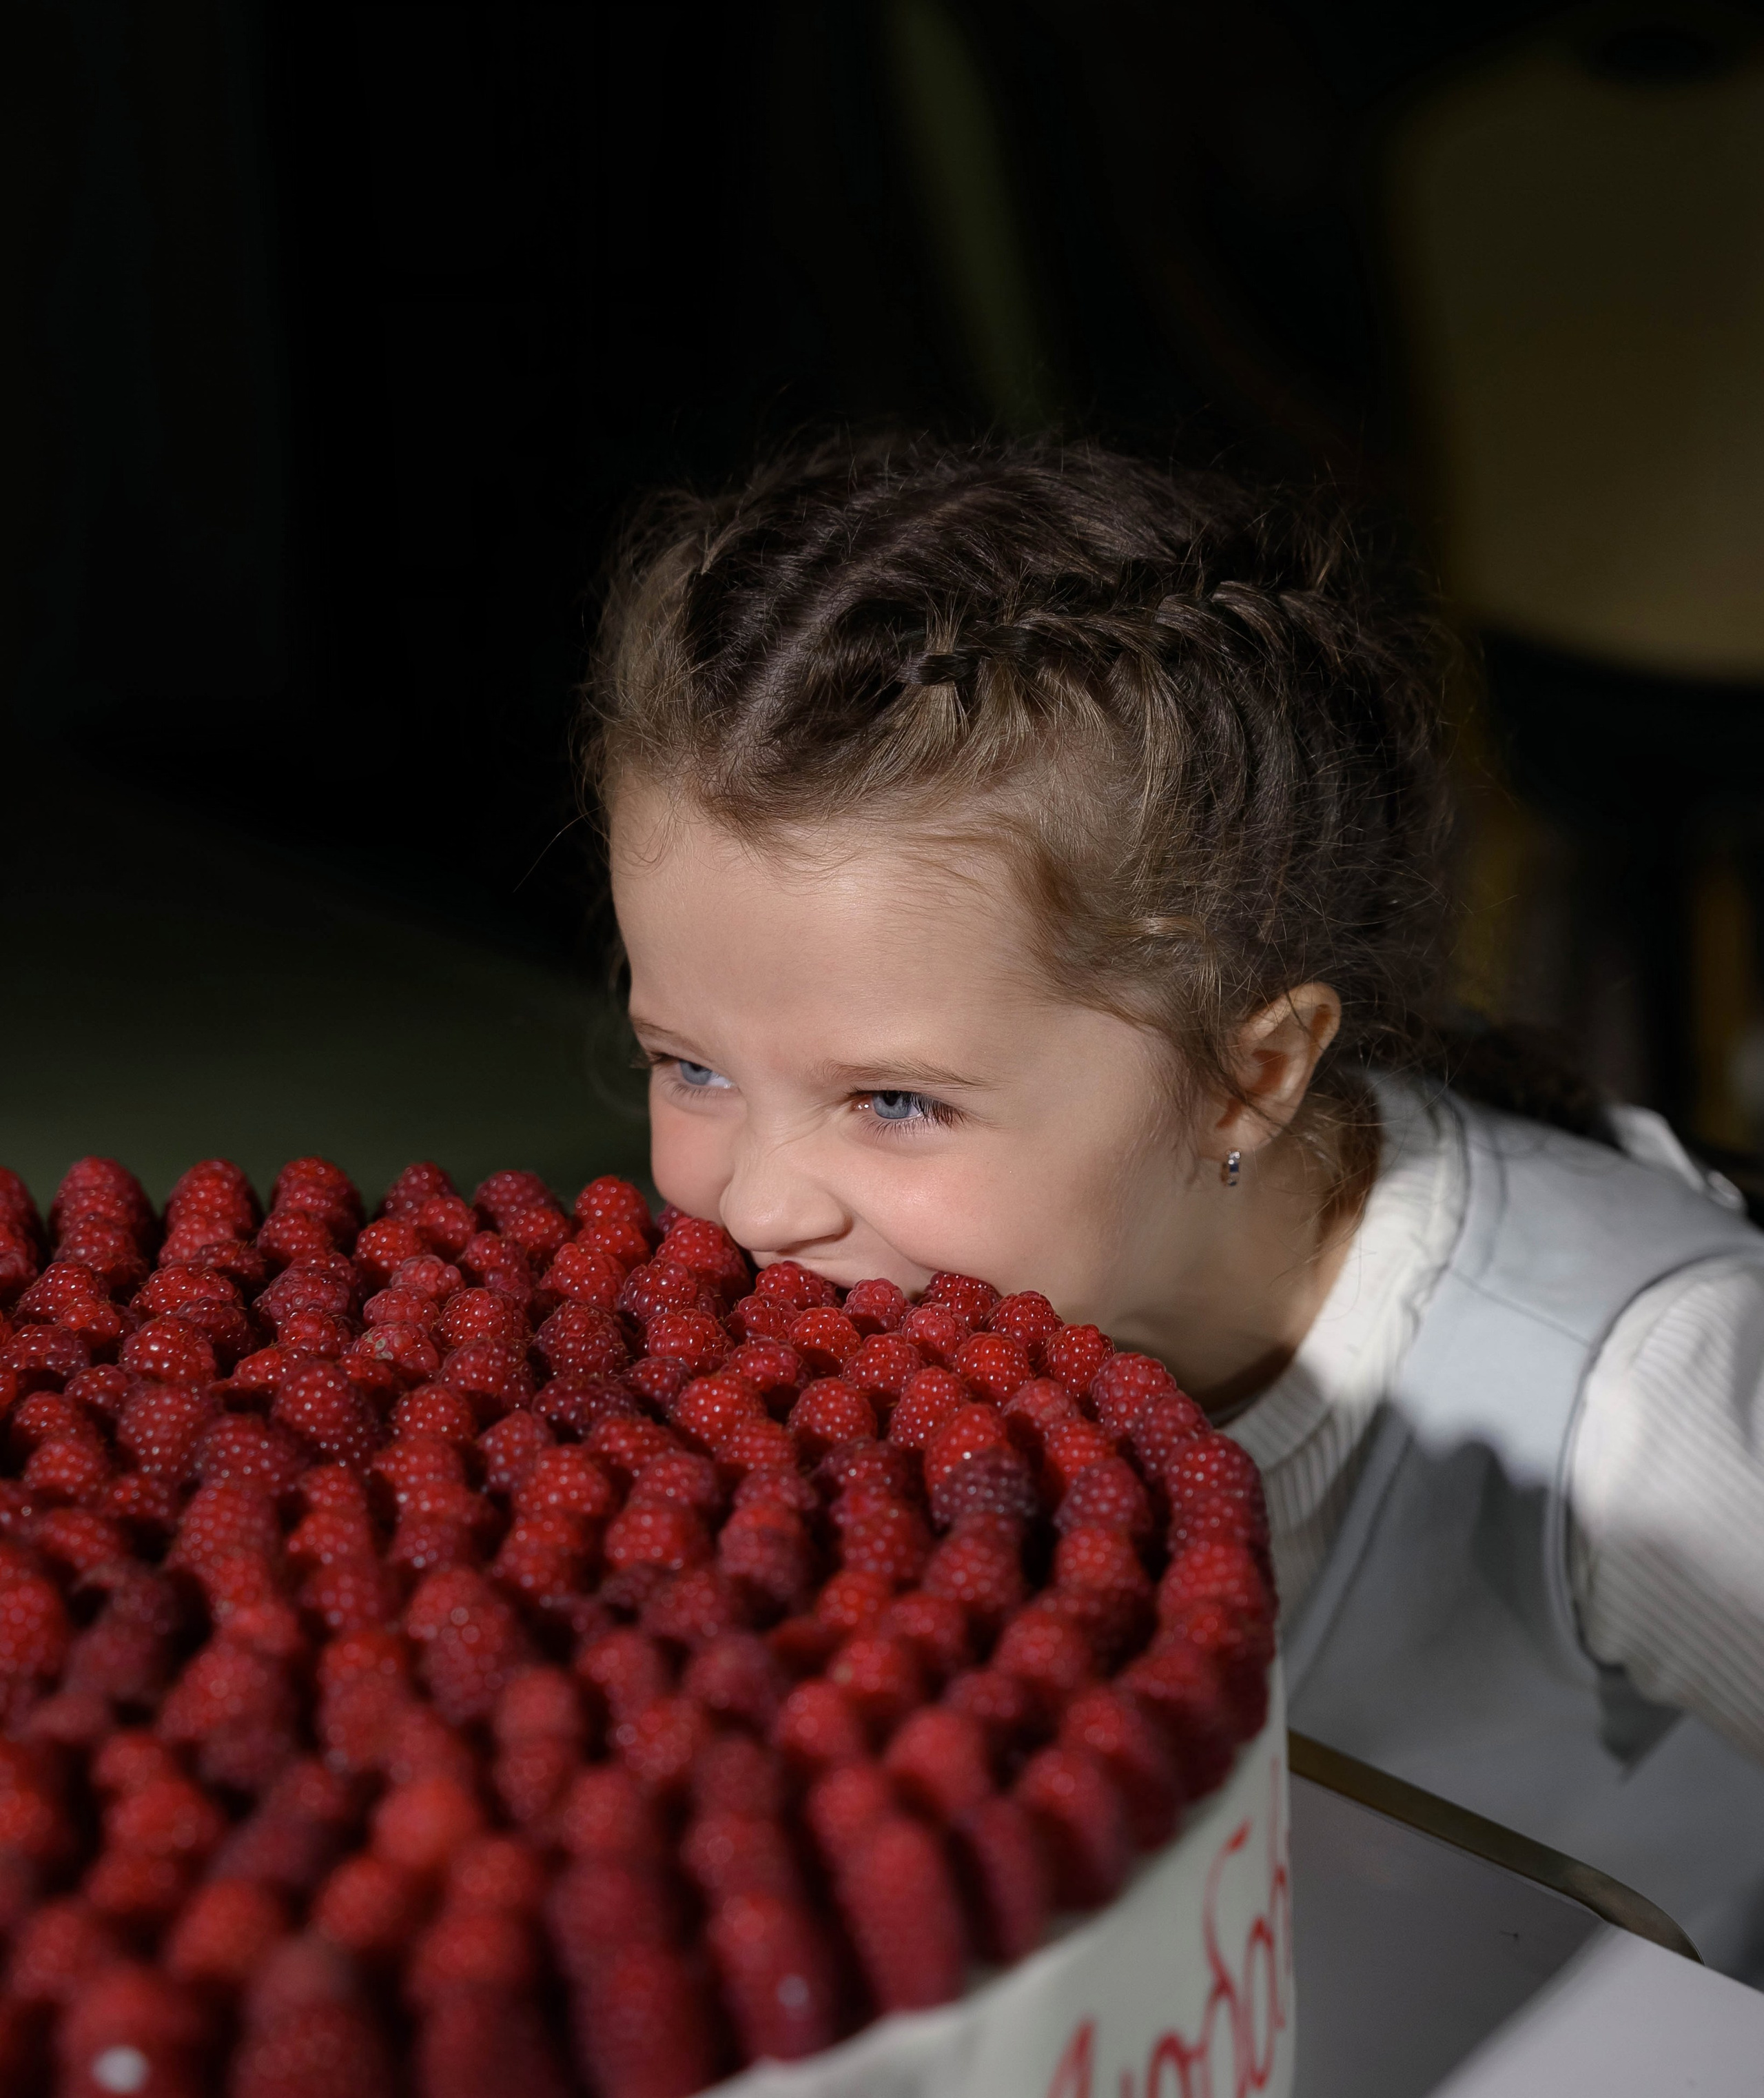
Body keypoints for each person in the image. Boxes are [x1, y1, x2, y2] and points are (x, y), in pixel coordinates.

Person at [579, 435, 1764, 1980]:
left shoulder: (1640, 1394)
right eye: (688, 1065)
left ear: (1250, 1074)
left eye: (893, 1102)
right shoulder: (881, 1297)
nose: (753, 1201)